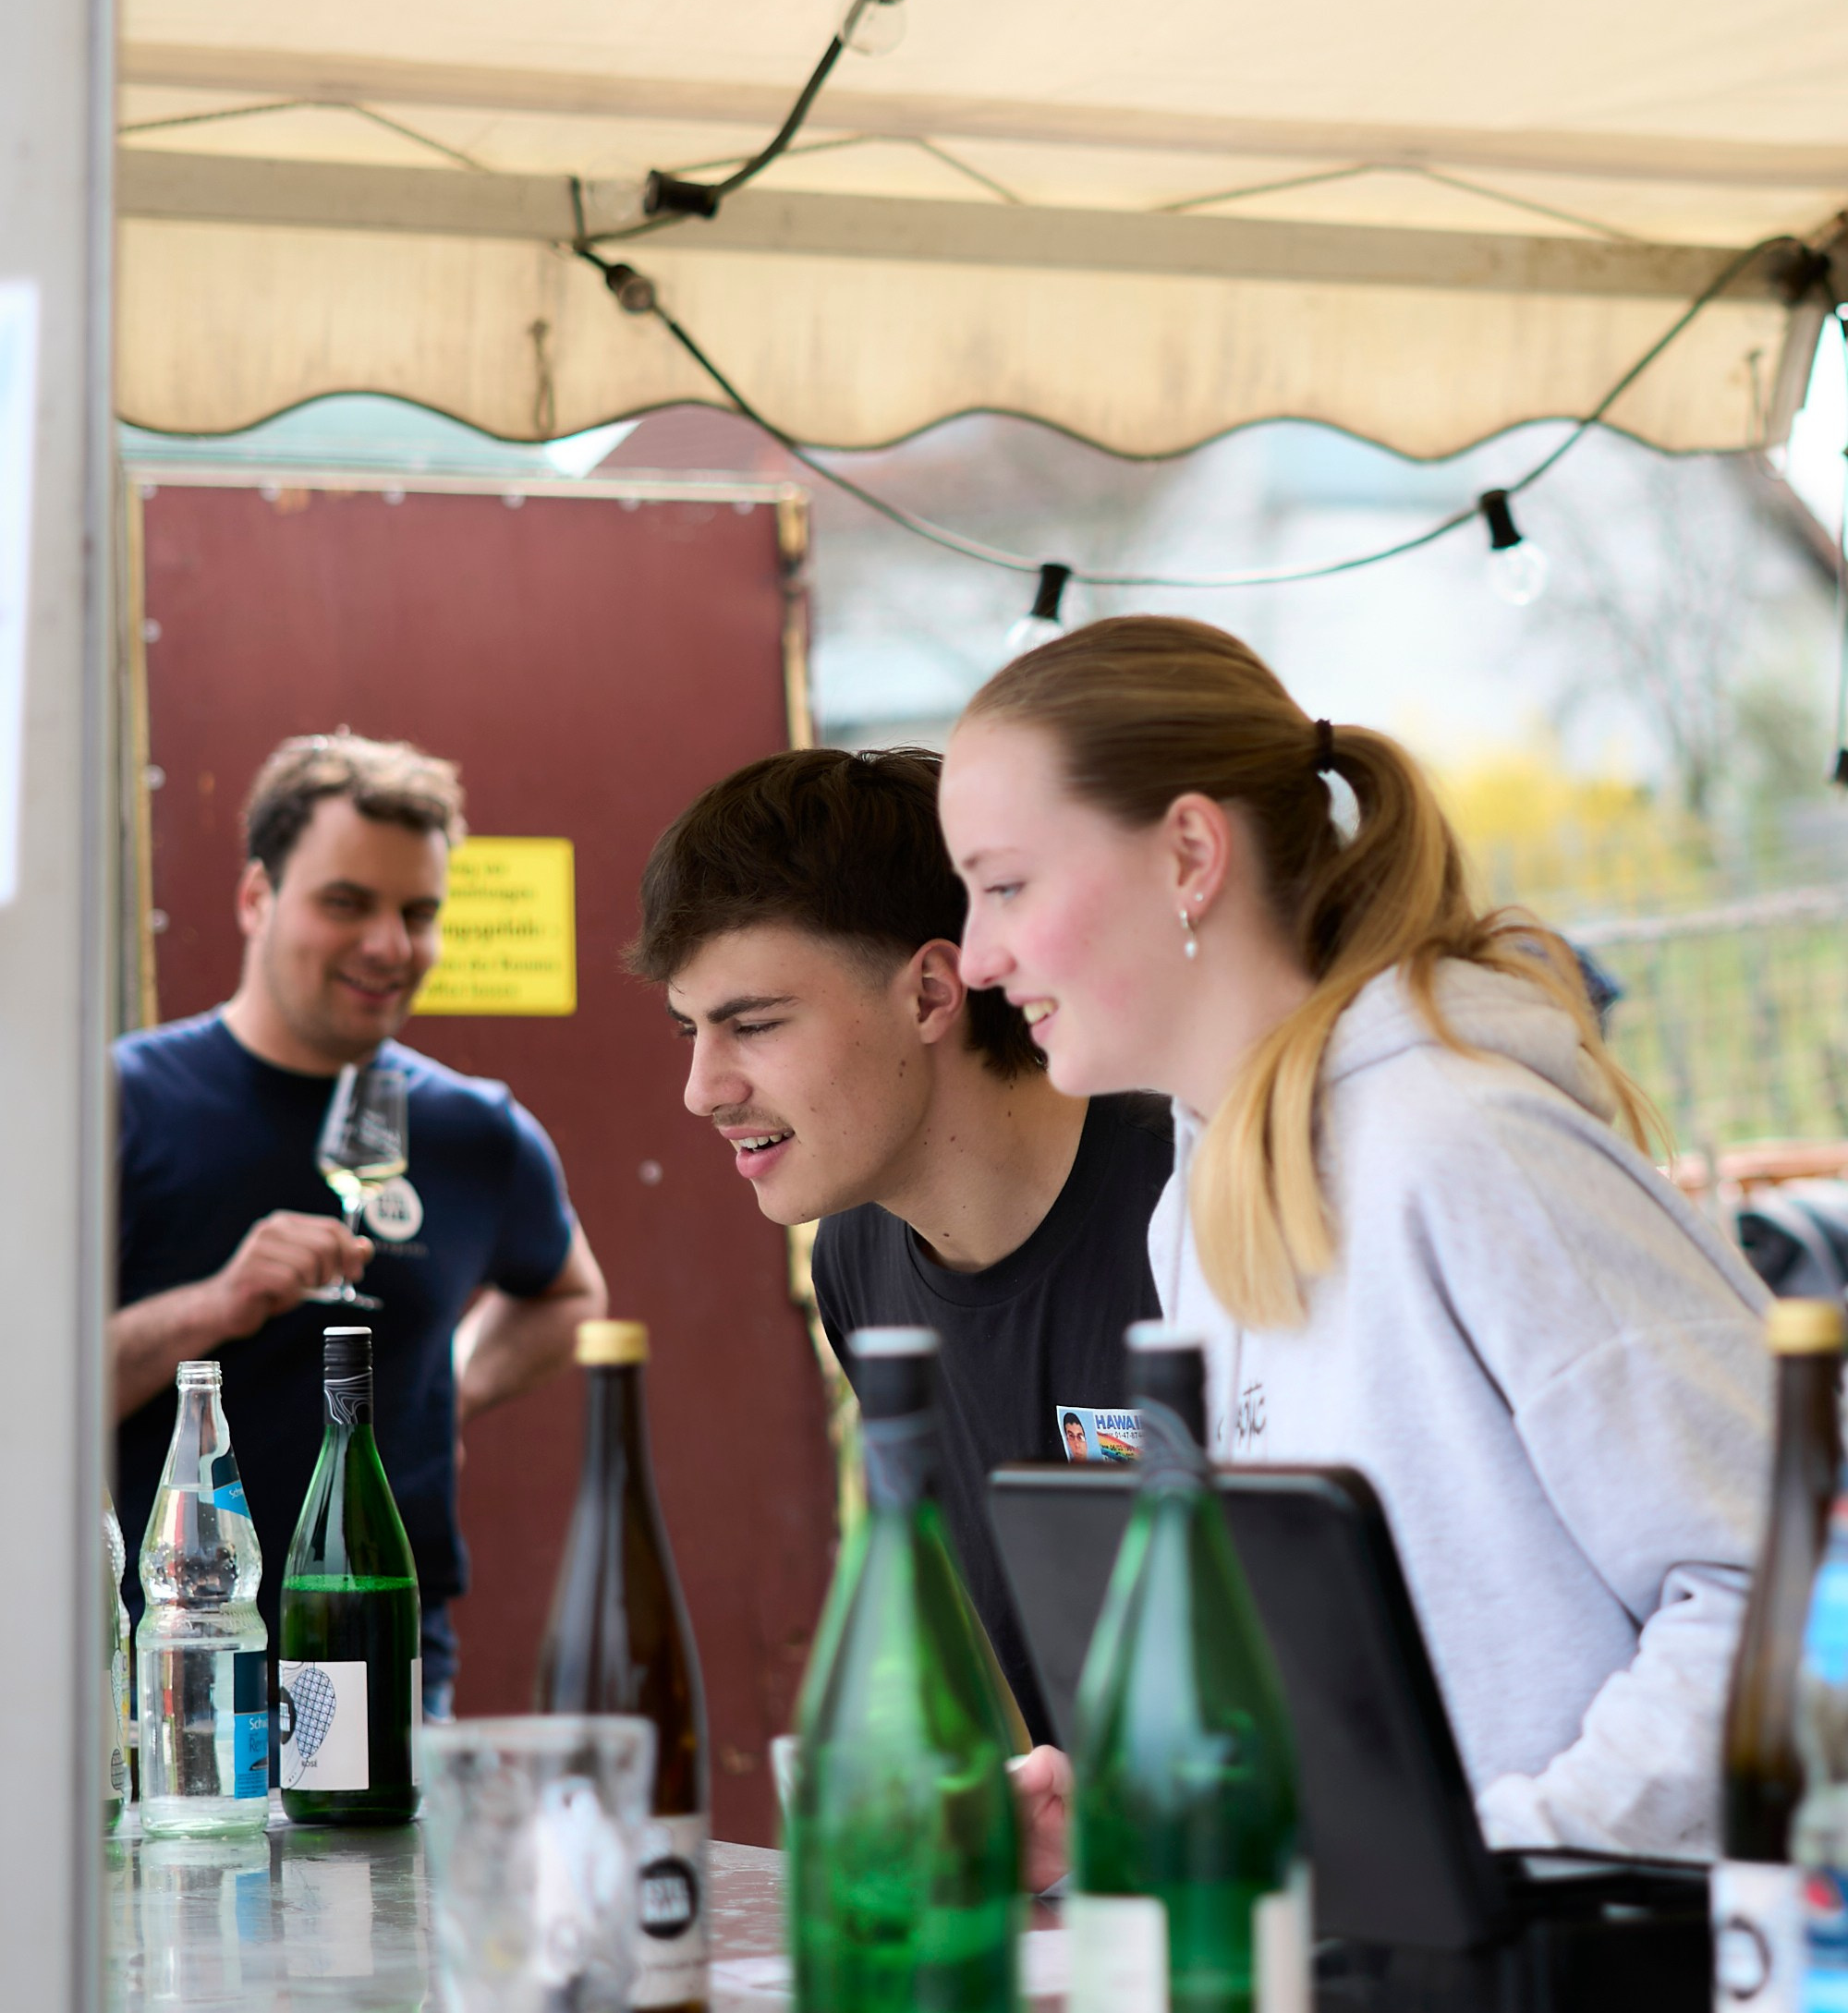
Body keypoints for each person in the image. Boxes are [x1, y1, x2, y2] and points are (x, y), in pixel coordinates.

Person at [939, 616, 1770, 1871]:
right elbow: (1354, 1692)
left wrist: (1494, 1869)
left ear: (1189, 854)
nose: (979, 955)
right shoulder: (1195, 1206)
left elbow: (1791, 1594)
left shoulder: (1467, 1148)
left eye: (1005, 885)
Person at [629, 746, 1173, 1742]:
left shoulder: (1195, 1206)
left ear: (929, 992)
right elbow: (982, 1651)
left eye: (751, 1024)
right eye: (689, 1033)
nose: (702, 1090)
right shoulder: (853, 1256)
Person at [113, 732, 606, 1711]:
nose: (389, 945)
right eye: (347, 903)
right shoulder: (120, 1104)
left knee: (378, 1876)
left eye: (418, 912)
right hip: (161, 1657)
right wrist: (217, 1306)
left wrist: (443, 1389)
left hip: (388, 1654)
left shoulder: (476, 1129)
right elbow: (28, 1401)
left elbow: (571, 1296)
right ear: (257, 898)